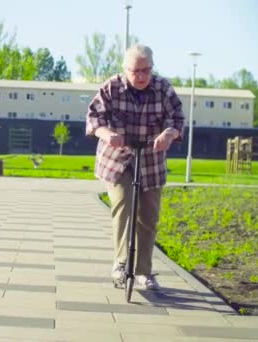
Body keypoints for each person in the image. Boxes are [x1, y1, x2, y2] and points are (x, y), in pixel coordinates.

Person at [85, 44, 184, 290]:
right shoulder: (111, 87)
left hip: (151, 158)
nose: (140, 76)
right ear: (125, 69)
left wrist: (169, 134)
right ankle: (120, 264)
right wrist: (106, 133)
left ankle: (144, 272)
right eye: (135, 71)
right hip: (117, 158)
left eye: (145, 70)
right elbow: (94, 118)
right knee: (123, 205)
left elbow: (178, 119)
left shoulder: (163, 88)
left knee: (149, 217)